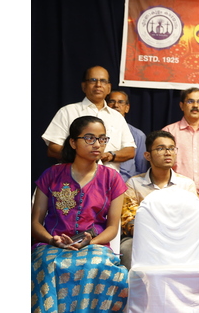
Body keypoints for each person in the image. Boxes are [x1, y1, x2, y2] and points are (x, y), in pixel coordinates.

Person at [31, 116, 129, 311]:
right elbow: (34, 223)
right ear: (73, 142)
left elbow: (112, 227)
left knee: (98, 265)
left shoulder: (112, 178)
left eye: (102, 139)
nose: (98, 144)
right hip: (51, 244)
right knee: (47, 262)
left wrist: (91, 242)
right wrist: (52, 240)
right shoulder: (52, 174)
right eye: (90, 138)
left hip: (94, 246)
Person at [120, 130, 197, 269]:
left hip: (178, 237)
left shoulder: (186, 184)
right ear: (147, 155)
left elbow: (192, 219)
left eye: (171, 148)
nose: (168, 153)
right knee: (126, 249)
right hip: (142, 238)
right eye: (161, 148)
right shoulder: (134, 184)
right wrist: (156, 234)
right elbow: (129, 220)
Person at [42, 66, 136, 171]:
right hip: (73, 176)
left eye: (103, 81)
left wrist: (109, 155)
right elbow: (53, 148)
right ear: (84, 86)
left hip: (108, 178)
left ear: (109, 88)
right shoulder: (67, 111)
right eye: (93, 80)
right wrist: (83, 157)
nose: (98, 84)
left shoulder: (117, 117)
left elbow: (130, 151)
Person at [107, 90, 149, 181]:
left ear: (127, 108)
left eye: (121, 102)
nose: (116, 105)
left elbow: (141, 171)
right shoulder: (99, 131)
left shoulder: (138, 135)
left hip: (128, 184)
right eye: (111, 101)